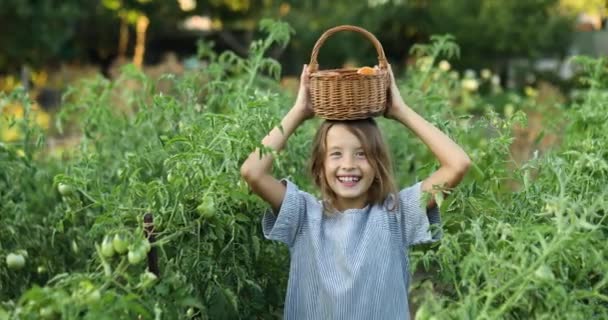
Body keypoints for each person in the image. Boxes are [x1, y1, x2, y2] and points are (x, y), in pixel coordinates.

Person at [240, 63, 471, 319]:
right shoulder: (303, 215)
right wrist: (298, 112)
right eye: (336, 154)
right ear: (320, 166)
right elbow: (253, 172)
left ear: (378, 164)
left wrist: (401, 111)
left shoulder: (396, 214)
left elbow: (458, 164)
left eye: (362, 154)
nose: (348, 164)